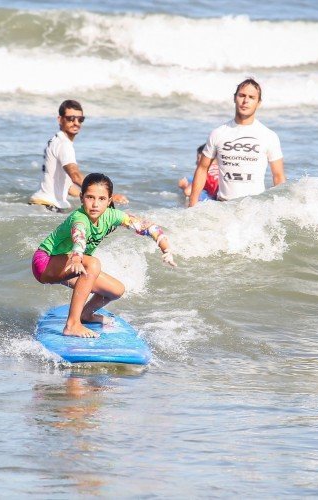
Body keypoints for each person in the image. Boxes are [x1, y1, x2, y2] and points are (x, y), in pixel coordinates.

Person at [32, 173, 176, 338]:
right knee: (92, 264)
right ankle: (72, 325)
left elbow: (146, 227)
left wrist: (166, 250)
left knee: (116, 290)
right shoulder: (79, 218)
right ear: (81, 198)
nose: (95, 204)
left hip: (71, 263)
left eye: (101, 199)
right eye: (90, 197)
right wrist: (78, 258)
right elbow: (79, 236)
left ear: (109, 201)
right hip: (46, 262)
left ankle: (85, 315)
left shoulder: (111, 216)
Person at [188, 78, 286, 208]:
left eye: (251, 97)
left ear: (258, 103)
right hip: (224, 206)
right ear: (235, 98)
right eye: (242, 95)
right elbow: (202, 168)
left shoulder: (268, 136)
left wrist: (281, 209)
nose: (245, 101)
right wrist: (192, 205)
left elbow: (278, 177)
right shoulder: (218, 133)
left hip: (254, 208)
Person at [30, 100, 128, 212]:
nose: (76, 122)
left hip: (40, 205)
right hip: (48, 206)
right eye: (71, 118)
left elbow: (68, 187)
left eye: (80, 119)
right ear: (60, 119)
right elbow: (75, 176)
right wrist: (106, 195)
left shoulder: (55, 141)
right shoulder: (64, 144)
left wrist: (90, 197)